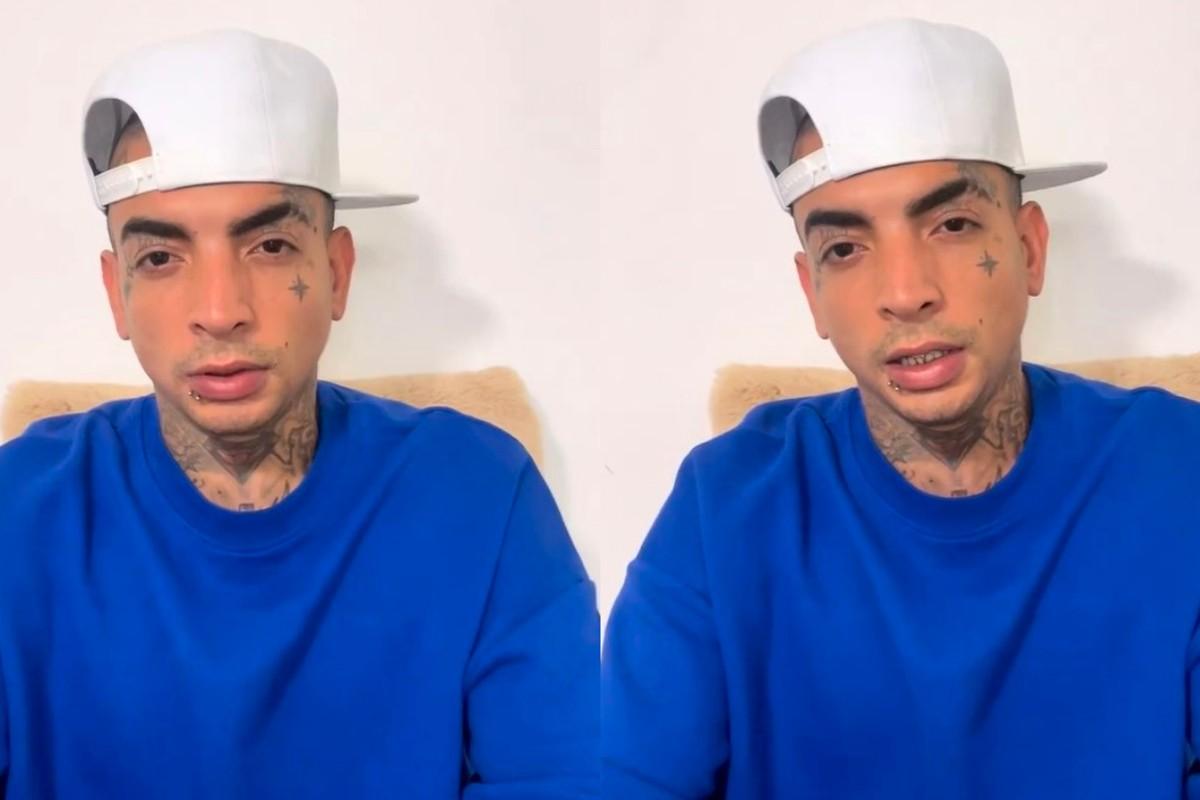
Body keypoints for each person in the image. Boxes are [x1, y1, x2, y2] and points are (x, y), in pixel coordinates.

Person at [603, 18, 1200, 799]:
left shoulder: (1179, 473)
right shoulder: (724, 506)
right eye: (845, 249)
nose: (905, 292)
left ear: (1030, 248)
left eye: (952, 225)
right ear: (812, 292)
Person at [0, 29, 598, 798]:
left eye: (271, 246)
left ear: (337, 272)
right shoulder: (19, 512)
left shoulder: (479, 494)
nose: (220, 310)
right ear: (117, 293)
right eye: (161, 258)